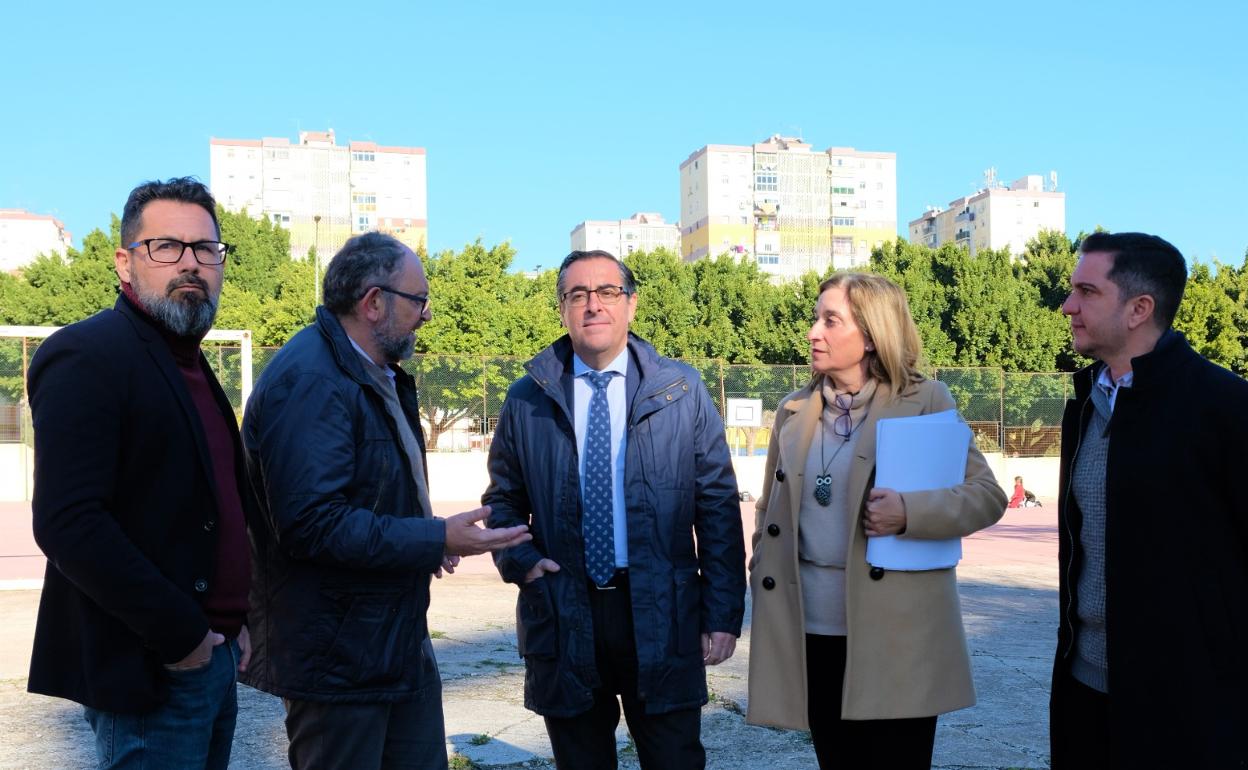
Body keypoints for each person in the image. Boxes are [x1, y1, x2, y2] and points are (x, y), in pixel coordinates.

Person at [241, 232, 531, 770]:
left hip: (392, 639)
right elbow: (311, 524)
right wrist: (435, 537)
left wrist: (427, 540)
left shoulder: (372, 372)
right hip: (338, 659)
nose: (426, 315)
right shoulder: (311, 379)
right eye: (418, 300)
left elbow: (370, 495)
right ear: (373, 303)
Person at [484, 250, 746, 770]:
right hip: (565, 609)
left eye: (607, 292)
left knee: (674, 759)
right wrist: (523, 563)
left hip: (662, 612)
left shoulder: (682, 391)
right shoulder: (528, 399)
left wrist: (722, 614)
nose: (593, 305)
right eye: (577, 294)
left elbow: (717, 506)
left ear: (631, 303)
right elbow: (502, 500)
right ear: (562, 308)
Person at [28, 177, 252, 769]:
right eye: (166, 246)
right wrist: (182, 636)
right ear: (125, 263)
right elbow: (69, 523)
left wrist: (236, 618)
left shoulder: (191, 364)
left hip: (213, 655)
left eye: (205, 248)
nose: (191, 263)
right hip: (155, 664)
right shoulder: (88, 354)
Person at [746, 272, 1007, 769]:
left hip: (897, 635)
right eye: (815, 318)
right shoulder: (793, 410)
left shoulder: (925, 401)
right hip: (809, 630)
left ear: (870, 335)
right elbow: (769, 505)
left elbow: (986, 495)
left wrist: (910, 512)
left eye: (831, 321)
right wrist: (761, 556)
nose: (813, 332)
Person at [1051, 232, 1248, 768]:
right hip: (1084, 690)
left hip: (1189, 708)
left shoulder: (1226, 408)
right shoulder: (1085, 405)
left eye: (1087, 292)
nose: (1067, 306)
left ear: (1139, 309)